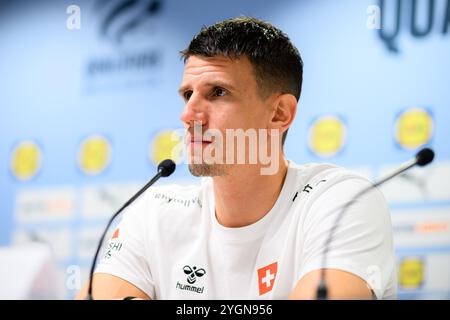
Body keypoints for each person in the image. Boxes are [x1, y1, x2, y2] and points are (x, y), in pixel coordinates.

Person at [77, 16, 396, 300]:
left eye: (218, 92)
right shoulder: (152, 214)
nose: (188, 114)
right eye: (188, 94)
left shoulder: (342, 202)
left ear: (279, 113)